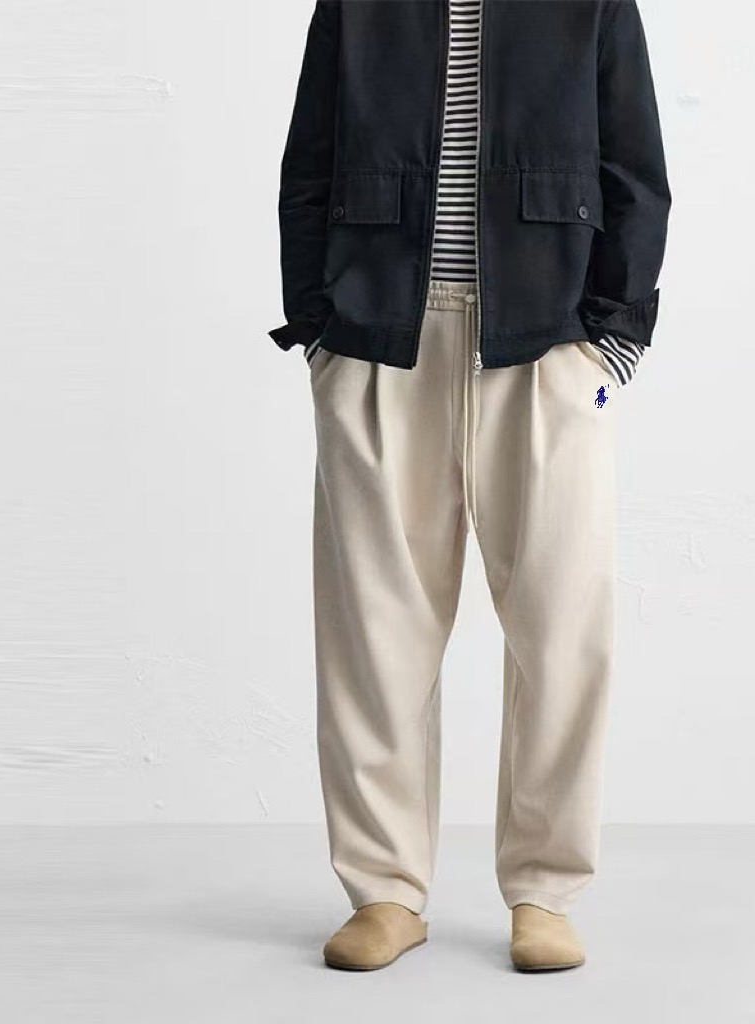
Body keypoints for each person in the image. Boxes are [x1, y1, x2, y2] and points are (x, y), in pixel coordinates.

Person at [269, 0, 671, 972]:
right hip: (381, 342)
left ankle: (544, 889)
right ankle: (385, 889)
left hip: (547, 344)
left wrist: (612, 336)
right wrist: (319, 332)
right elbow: (308, 165)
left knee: (562, 624)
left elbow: (634, 169)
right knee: (373, 628)